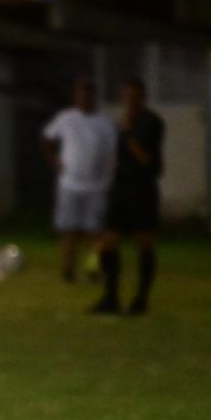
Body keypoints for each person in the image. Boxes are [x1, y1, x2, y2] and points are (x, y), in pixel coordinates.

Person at [92, 78, 166, 315]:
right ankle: (110, 296)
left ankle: (141, 299)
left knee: (144, 243)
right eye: (126, 96)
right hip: (121, 187)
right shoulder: (122, 123)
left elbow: (148, 160)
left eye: (135, 96)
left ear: (142, 98)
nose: (130, 101)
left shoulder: (150, 122)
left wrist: (128, 135)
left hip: (142, 188)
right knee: (108, 242)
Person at [42, 76, 119, 284]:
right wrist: (55, 161)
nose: (83, 97)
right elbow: (47, 138)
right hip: (70, 184)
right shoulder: (66, 118)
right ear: (75, 96)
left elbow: (113, 153)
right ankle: (67, 270)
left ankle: (93, 268)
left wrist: (111, 175)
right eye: (79, 93)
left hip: (97, 185)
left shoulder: (105, 123)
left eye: (87, 93)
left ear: (93, 96)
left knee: (95, 232)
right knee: (69, 230)